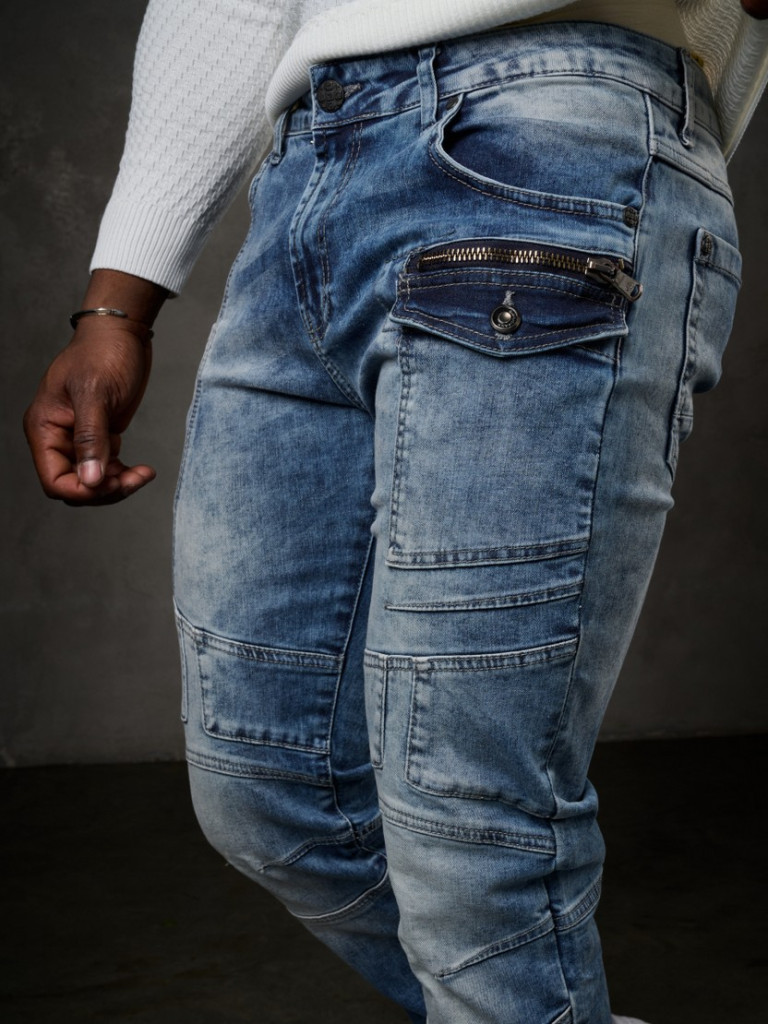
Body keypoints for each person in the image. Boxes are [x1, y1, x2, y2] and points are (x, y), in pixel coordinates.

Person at [23, 2, 768, 1022]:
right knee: (270, 784)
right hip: (308, 173)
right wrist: (119, 300)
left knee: (474, 823)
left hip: (548, 138)